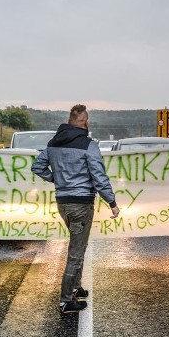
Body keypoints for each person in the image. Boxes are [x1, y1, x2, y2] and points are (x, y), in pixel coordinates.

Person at [32, 104, 121, 315]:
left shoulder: (53, 143)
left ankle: (75, 287)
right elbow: (99, 177)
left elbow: (37, 167)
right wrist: (112, 202)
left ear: (69, 121)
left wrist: (57, 179)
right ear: (85, 122)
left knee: (78, 246)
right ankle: (66, 300)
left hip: (63, 202)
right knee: (76, 251)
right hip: (81, 204)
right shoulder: (88, 145)